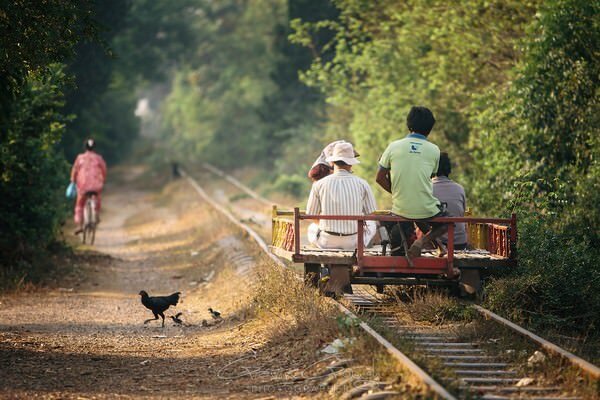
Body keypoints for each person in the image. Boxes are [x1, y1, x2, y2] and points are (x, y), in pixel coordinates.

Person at [375, 106, 447, 258]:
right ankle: (422, 242)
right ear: (430, 129)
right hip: (424, 208)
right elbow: (428, 177)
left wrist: (396, 191)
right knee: (444, 222)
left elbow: (379, 178)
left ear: (409, 125)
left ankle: (435, 246)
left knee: (414, 209)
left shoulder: (393, 146)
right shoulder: (434, 150)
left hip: (401, 208)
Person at [306, 142, 377, 250]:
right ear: (351, 163)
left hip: (327, 242)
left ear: (332, 162)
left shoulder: (319, 184)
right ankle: (361, 245)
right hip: (354, 242)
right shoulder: (363, 184)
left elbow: (311, 215)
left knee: (312, 227)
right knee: (372, 223)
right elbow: (370, 215)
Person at [71, 138, 107, 234]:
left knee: (79, 205)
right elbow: (104, 170)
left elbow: (74, 170)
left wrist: (72, 181)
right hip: (96, 185)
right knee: (97, 198)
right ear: (94, 147)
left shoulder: (80, 158)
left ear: (85, 147)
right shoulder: (98, 158)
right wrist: (103, 179)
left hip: (82, 186)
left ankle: (79, 225)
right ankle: (96, 214)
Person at [432, 153, 467, 250]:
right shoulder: (459, 188)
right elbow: (461, 213)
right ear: (449, 169)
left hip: (436, 244)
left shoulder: (427, 188)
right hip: (460, 243)